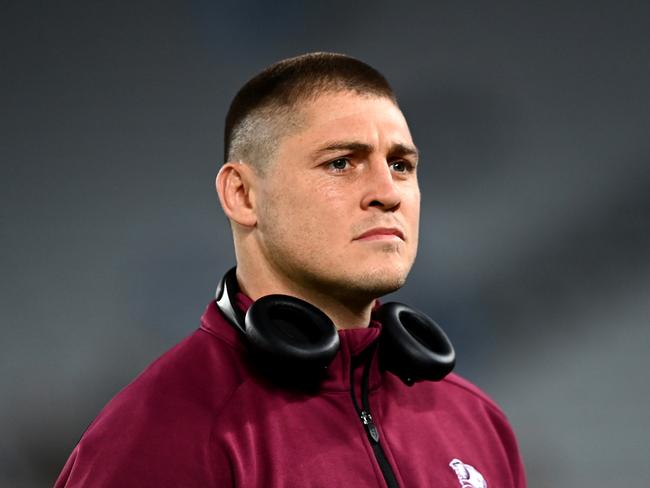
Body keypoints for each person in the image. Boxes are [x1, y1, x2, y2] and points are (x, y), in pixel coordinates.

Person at [55, 52, 526, 487]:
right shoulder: (160, 436)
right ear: (241, 195)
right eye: (341, 162)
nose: (388, 192)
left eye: (400, 165)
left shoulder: (477, 422)